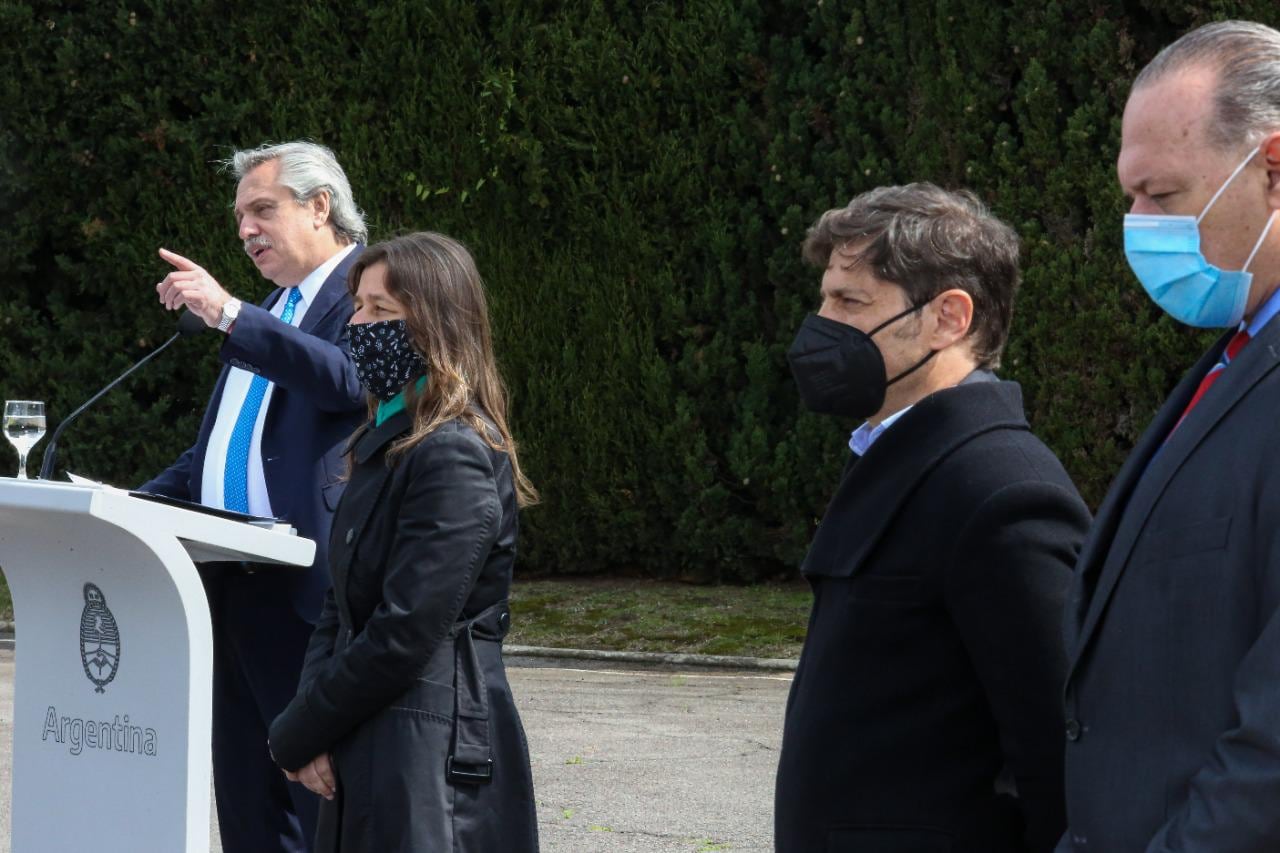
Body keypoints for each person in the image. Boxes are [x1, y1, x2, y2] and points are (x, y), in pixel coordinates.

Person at [774, 183, 1091, 853]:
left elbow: (1059, 755)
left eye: (850, 301)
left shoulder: (1000, 490)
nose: (822, 322)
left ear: (949, 317)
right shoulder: (902, 454)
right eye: (825, 295)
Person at [1059, 20, 1280, 851]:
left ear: (1274, 169)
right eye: (1131, 196)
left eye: (1164, 195)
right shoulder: (1235, 361)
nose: (1138, 224)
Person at [267, 231, 540, 852]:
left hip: (429, 744)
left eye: (381, 311)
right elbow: (341, 605)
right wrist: (313, 726)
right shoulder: (386, 443)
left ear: (437, 326)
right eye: (358, 307)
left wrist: (303, 728)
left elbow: (406, 630)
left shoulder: (453, 453)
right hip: (374, 733)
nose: (359, 325)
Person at [140, 141, 368, 852]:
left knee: (314, 816)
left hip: (305, 594)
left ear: (320, 205)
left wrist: (233, 314)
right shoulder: (273, 308)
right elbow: (221, 451)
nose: (245, 229)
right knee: (246, 814)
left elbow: (350, 381)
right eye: (240, 216)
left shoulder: (372, 286)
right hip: (228, 595)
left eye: (262, 209)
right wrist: (117, 506)